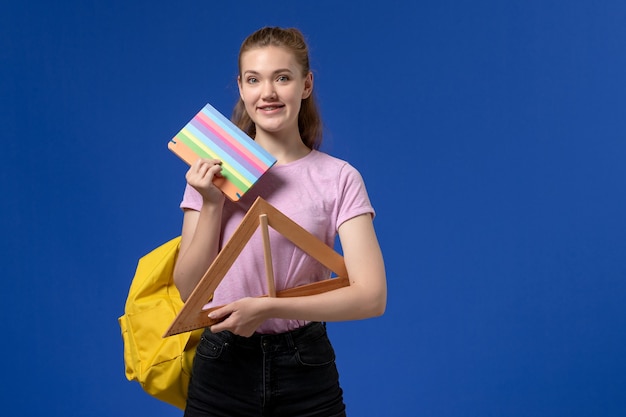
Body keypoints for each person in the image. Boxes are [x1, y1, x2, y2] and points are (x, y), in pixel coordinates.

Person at [173, 26, 387, 417]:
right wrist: (209, 204)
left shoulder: (339, 177)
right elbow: (190, 291)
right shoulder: (211, 168)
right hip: (222, 361)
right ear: (240, 87)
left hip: (304, 365)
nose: (267, 93)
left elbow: (372, 297)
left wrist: (267, 307)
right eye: (254, 79)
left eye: (282, 78)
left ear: (305, 85)